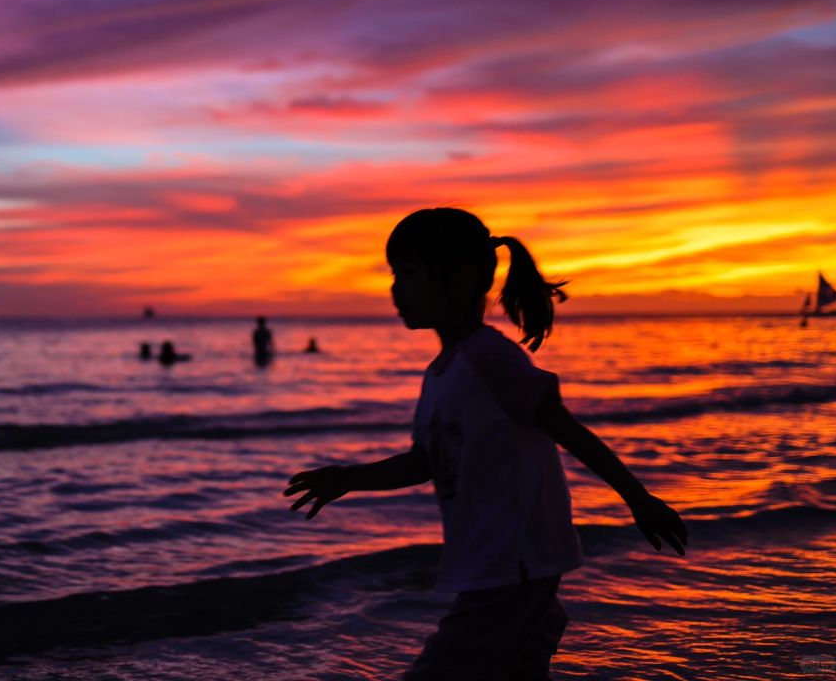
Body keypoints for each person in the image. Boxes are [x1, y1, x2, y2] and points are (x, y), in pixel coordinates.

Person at [285, 207, 686, 681]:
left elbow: (564, 427)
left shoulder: (489, 358)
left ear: (461, 277)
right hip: (500, 564)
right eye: (395, 274)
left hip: (511, 567)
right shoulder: (442, 373)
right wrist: (349, 478)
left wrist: (638, 499)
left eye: (409, 273)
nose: (396, 289)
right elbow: (425, 462)